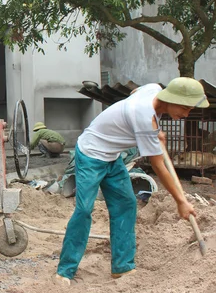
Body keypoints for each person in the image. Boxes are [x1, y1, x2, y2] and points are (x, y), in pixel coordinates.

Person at [55, 77, 207, 286]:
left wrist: (155, 133)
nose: (186, 114)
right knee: (84, 210)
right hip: (91, 153)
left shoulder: (154, 89)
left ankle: (122, 267)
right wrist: (181, 201)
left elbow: (135, 93)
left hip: (112, 156)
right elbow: (159, 167)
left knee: (126, 204)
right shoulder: (145, 119)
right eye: (184, 108)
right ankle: (65, 271)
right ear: (170, 99)